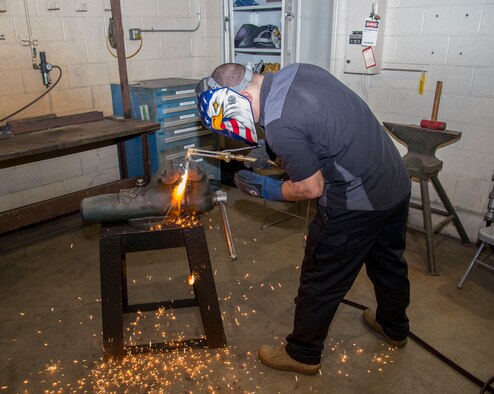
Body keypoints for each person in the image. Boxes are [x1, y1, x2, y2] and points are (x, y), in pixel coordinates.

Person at [195, 63, 411, 375]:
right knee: (388, 260)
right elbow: (318, 128)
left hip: (358, 200)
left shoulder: (282, 125)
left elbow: (311, 187)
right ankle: (394, 326)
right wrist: (269, 150)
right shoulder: (297, 71)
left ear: (238, 98)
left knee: (322, 273)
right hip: (394, 181)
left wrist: (268, 188)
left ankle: (303, 353)